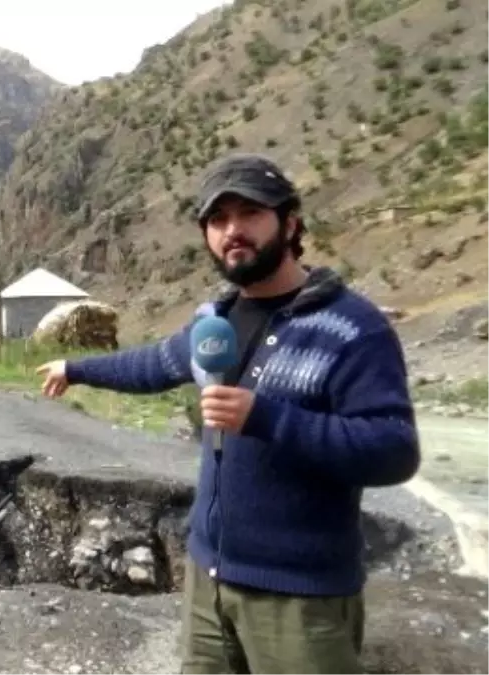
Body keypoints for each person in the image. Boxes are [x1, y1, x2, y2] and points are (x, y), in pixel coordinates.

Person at [36, 153, 421, 675]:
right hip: (208, 582)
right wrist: (76, 368)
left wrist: (269, 418)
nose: (232, 231)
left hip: (299, 600)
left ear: (290, 222)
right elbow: (152, 363)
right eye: (218, 221)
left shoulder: (353, 328)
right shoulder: (211, 323)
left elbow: (393, 450)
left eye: (249, 213)